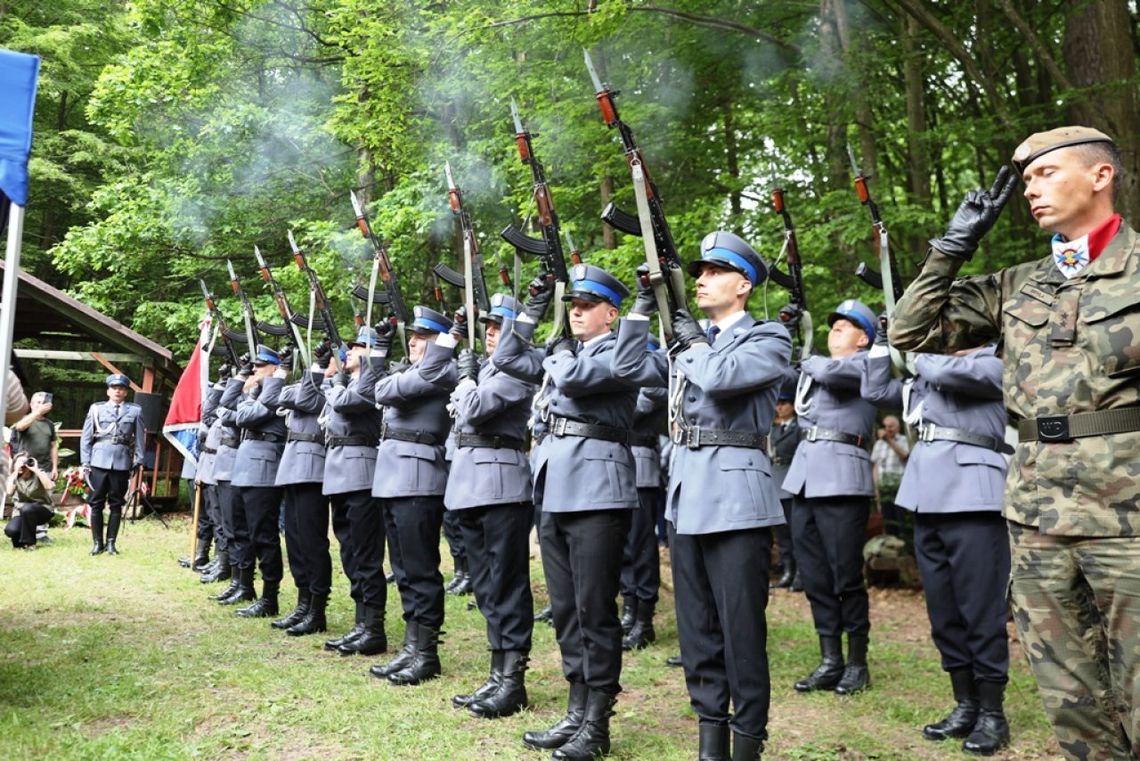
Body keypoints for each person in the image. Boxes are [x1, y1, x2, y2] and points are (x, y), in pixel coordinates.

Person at [889, 126, 1140, 760]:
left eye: (1045, 173)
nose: (1029, 188)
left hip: (1128, 515)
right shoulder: (1017, 286)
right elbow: (910, 330)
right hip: (1034, 514)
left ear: (1100, 176)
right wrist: (953, 245)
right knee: (1070, 698)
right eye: (1025, 179)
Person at [613, 233, 793, 761]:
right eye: (699, 272)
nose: (700, 280)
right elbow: (626, 369)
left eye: (714, 272)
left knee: (740, 630)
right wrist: (644, 309)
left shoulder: (768, 338)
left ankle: (748, 744)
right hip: (688, 496)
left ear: (742, 285)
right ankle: (710, 740)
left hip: (737, 498)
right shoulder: (690, 346)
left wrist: (692, 340)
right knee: (697, 631)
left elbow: (719, 378)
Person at [496, 265, 638, 760]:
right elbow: (507, 355)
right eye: (571, 305)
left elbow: (576, 380)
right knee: (565, 610)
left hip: (599, 490)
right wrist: (532, 309)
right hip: (555, 487)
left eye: (586, 306)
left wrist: (554, 351)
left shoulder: (624, 350)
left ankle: (597, 723)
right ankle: (577, 711)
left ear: (611, 313)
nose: (575, 312)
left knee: (594, 610)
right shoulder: (563, 353)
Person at [862, 340, 1012, 754]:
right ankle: (965, 704)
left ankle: (992, 713)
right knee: (943, 611)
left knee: (980, 609)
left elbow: (949, 373)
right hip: (926, 497)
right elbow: (876, 392)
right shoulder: (928, 373)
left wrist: (912, 352)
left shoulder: (992, 361)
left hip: (973, 496)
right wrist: (880, 345)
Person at [783, 299, 895, 697]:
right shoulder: (816, 370)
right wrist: (789, 334)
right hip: (805, 478)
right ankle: (830, 658)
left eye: (845, 327)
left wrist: (806, 360)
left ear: (864, 338)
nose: (835, 331)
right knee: (813, 574)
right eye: (832, 326)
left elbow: (828, 372)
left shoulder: (867, 367)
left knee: (845, 574)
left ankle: (858, 662)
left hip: (842, 479)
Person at [445, 294, 536, 718]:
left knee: (507, 584)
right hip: (469, 485)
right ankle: (497, 672)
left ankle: (513, 680)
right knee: (484, 585)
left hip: (502, 486)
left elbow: (475, 410)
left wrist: (465, 384)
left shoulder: (516, 369)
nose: (490, 333)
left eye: (499, 327)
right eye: (488, 327)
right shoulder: (485, 369)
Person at [370, 306, 457, 686]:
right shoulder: (410, 372)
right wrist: (380, 348)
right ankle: (411, 646)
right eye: (413, 336)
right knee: (403, 569)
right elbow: (379, 388)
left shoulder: (441, 371)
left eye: (423, 337)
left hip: (419, 478)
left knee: (421, 569)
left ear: (439, 342)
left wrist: (445, 345)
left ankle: (426, 653)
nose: (413, 342)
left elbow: (395, 390)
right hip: (394, 477)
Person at [320, 330, 387, 656]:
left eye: (357, 346)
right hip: (340, 474)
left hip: (362, 473)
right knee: (349, 553)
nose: (348, 351)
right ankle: (361, 623)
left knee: (366, 554)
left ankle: (373, 627)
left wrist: (334, 385)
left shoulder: (371, 379)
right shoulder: (348, 382)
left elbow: (346, 405)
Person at [272, 346, 329, 634]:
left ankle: (317, 609)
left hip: (313, 469)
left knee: (311, 542)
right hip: (292, 466)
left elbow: (305, 398)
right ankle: (302, 602)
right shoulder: (306, 385)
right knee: (294, 541)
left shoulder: (329, 388)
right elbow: (275, 396)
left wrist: (317, 371)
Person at [230, 345, 287, 618]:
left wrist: (254, 394)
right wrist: (246, 386)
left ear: (275, 369)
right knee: (244, 531)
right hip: (246, 467)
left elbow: (244, 417)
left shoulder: (276, 390)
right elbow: (228, 407)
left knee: (264, 536)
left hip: (264, 471)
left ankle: (269, 597)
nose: (254, 370)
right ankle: (245, 585)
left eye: (260, 366)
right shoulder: (259, 391)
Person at [619, 358, 667, 653]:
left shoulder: (651, 386)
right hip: (618, 464)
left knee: (641, 546)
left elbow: (633, 410)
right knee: (623, 546)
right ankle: (629, 605)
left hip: (641, 470)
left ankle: (644, 618)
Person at [79, 373, 145, 556]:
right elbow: (86, 437)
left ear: (126, 392)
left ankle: (111, 543)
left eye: (121, 388)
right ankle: (97, 543)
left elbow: (140, 438)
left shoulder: (135, 411)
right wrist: (85, 462)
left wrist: (138, 459)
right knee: (96, 503)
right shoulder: (96, 409)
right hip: (98, 461)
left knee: (116, 503)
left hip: (122, 462)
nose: (118, 391)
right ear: (108, 391)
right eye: (114, 388)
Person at [769, 384, 800, 590]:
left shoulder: (800, 429)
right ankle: (788, 571)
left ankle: (800, 574)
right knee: (782, 535)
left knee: (796, 532)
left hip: (792, 481)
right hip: (775, 482)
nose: (780, 408)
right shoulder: (772, 429)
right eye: (778, 404)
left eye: (784, 403)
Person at [5, 452, 55, 549]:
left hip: (42, 510)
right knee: (11, 530)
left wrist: (36, 470)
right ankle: (22, 543)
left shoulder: (39, 473)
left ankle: (30, 543)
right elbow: (9, 492)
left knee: (28, 508)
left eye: (24, 462)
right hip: (21, 512)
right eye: (18, 462)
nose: (22, 465)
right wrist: (15, 472)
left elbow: (49, 486)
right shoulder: (14, 477)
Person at [869, 415, 909, 537]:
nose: (887, 429)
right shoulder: (878, 444)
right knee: (887, 522)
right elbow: (876, 467)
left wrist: (889, 441)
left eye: (890, 426)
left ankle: (906, 549)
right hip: (884, 489)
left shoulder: (904, 440)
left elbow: (904, 455)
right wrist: (876, 488)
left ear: (897, 427)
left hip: (900, 488)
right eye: (885, 426)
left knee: (903, 522)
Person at [11, 391, 59, 481]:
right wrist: (38, 412)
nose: (41, 405)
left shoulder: (50, 424)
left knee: (45, 495)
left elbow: (53, 446)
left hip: (45, 469)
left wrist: (55, 467)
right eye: (38, 402)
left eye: (43, 403)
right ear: (31, 405)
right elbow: (20, 427)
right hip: (25, 468)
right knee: (23, 494)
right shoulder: (22, 418)